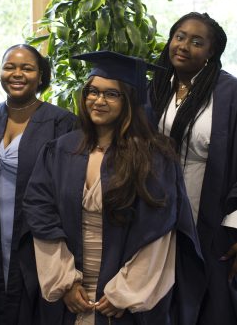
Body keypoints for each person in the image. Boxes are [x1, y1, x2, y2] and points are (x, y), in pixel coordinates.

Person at [23, 50, 206, 324]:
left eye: (111, 94)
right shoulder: (61, 151)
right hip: (71, 292)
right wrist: (65, 282)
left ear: (130, 101)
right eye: (92, 92)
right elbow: (41, 215)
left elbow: (158, 231)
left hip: (125, 296)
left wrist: (125, 292)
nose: (98, 100)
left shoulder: (154, 158)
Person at [0, 43, 77, 325]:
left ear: (41, 76)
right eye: (9, 67)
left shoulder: (64, 124)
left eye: (27, 68)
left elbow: (69, 194)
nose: (17, 74)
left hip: (38, 243)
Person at [149, 12, 237, 324]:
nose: (184, 45)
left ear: (212, 52)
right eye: (180, 36)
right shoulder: (156, 88)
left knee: (207, 302)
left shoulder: (229, 94)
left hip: (210, 218)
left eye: (197, 42)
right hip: (154, 214)